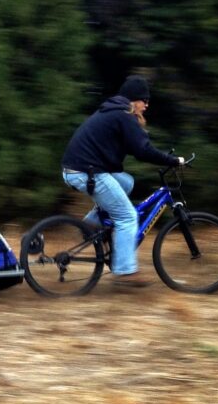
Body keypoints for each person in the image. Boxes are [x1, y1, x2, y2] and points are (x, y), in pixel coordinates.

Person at [60, 75, 184, 287]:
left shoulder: (114, 113)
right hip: (86, 172)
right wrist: (172, 160)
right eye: (144, 100)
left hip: (79, 170)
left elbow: (136, 147)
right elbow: (143, 151)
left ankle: (92, 223)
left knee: (126, 182)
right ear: (134, 100)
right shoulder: (123, 116)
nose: (147, 105)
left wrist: (162, 157)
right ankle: (125, 271)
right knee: (127, 217)